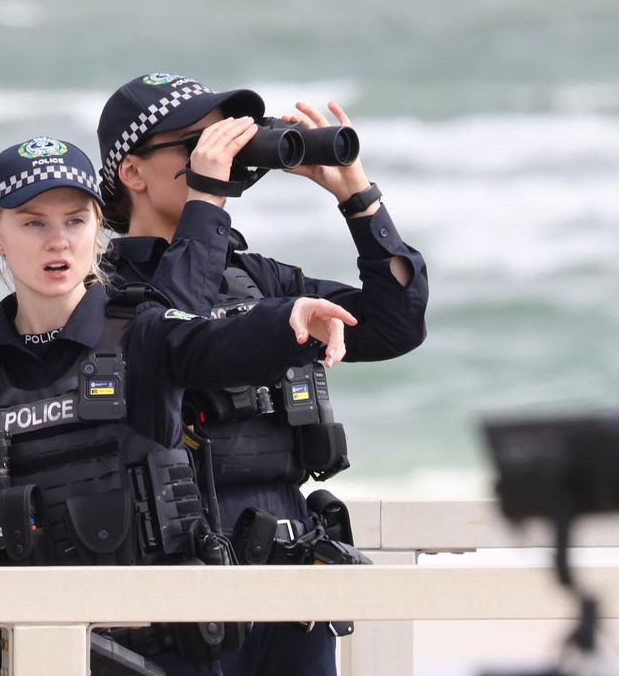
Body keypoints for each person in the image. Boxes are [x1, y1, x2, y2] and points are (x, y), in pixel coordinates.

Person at [0, 136, 360, 676]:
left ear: (98, 229)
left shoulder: (144, 335)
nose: (57, 242)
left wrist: (288, 320)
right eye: (33, 223)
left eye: (75, 221)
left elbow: (214, 342)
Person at [96, 72, 429, 676]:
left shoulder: (257, 279)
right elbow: (175, 328)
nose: (217, 153)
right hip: (178, 585)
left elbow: (394, 325)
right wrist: (205, 200)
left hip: (289, 571)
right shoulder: (104, 296)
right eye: (195, 143)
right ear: (133, 173)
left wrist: (356, 197)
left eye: (225, 139)